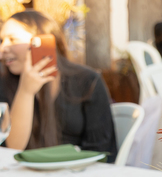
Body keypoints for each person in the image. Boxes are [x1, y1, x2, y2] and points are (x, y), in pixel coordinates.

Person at [0, 10, 118, 162]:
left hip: (79, 175)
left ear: (41, 40)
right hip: (25, 176)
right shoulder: (4, 84)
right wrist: (25, 91)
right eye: (1, 41)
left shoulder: (86, 80)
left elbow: (102, 150)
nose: (2, 50)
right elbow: (13, 148)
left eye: (12, 39)